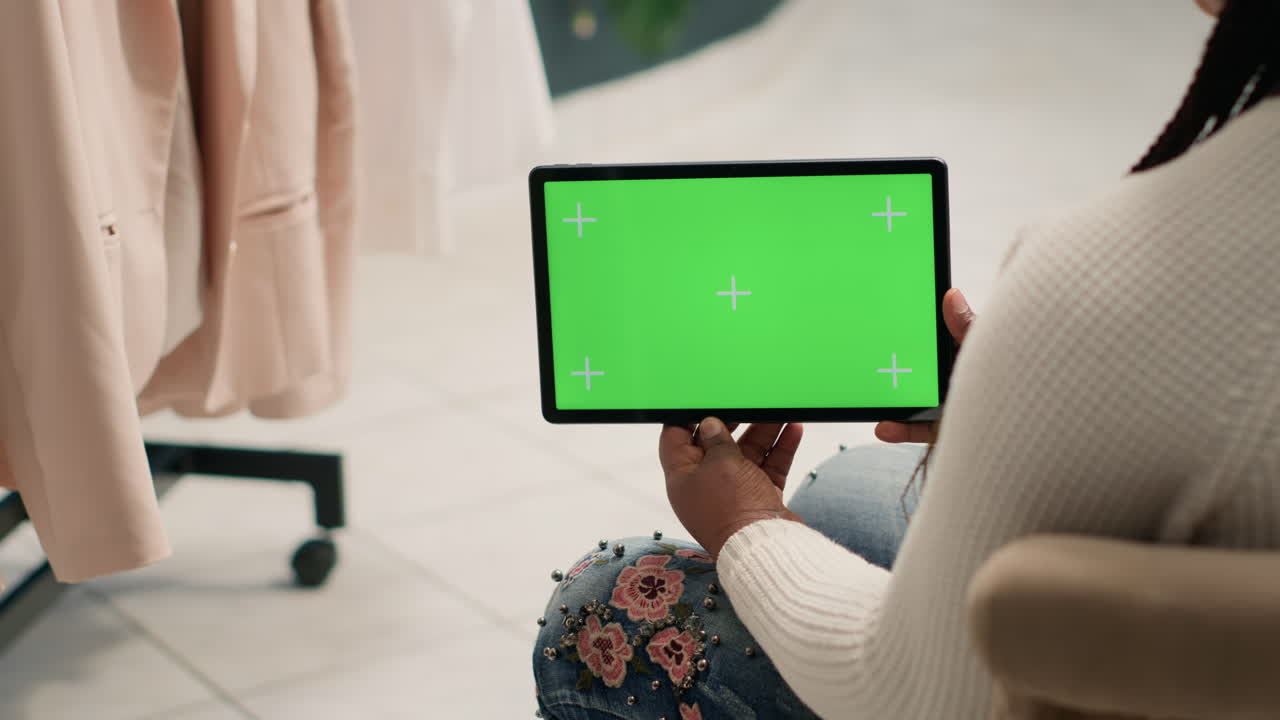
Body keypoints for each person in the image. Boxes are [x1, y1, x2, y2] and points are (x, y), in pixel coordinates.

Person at [533, 0, 1280, 716]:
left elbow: (922, 695)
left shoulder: (1108, 270)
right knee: (849, 493)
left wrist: (746, 523)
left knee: (596, 600)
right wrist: (1024, 411)